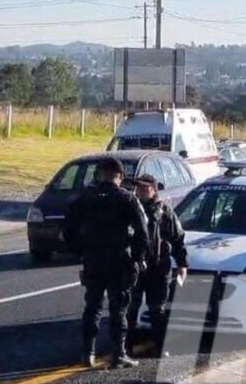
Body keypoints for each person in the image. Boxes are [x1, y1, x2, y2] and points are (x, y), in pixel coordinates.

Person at [64, 157, 149, 369]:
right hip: (119, 261)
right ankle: (118, 354)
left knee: (92, 308)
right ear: (119, 176)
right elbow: (143, 233)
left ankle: (87, 353)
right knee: (118, 310)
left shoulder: (85, 198)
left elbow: (68, 230)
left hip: (93, 260)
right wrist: (138, 259)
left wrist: (81, 252)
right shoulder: (126, 198)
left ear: (99, 174)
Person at [127, 174, 188, 357]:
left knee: (157, 309)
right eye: (138, 188)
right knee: (130, 308)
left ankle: (161, 346)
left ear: (154, 189)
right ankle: (125, 347)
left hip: (158, 267)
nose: (141, 191)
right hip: (135, 266)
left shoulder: (164, 211)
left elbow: (178, 237)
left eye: (145, 188)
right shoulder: (130, 208)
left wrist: (182, 263)